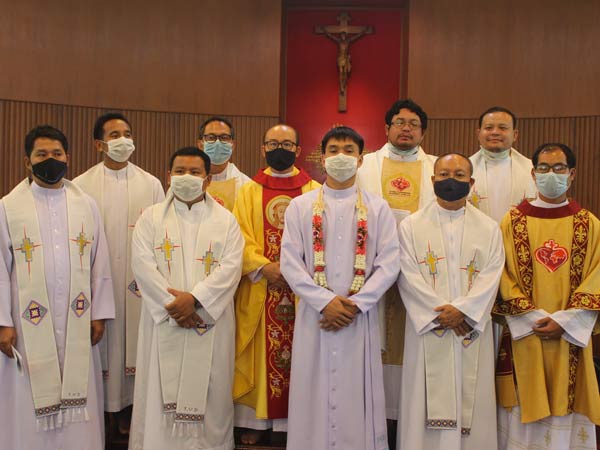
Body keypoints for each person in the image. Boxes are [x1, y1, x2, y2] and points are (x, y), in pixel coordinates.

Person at [281, 126, 400, 450]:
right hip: (315, 317)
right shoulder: (300, 207)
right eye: (333, 150)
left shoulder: (378, 208)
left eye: (349, 150)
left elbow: (389, 263)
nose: (341, 157)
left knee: (353, 393)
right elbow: (290, 262)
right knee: (312, 391)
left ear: (360, 160)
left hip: (358, 318)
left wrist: (356, 304)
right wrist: (324, 302)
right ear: (322, 158)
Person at [0, 125, 115, 449]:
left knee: (78, 393)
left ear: (68, 158)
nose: (50, 160)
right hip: (27, 322)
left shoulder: (86, 205)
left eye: (56, 153)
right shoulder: (8, 207)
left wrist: (99, 313)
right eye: (41, 155)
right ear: (28, 161)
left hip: (77, 318)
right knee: (27, 395)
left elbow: (100, 262)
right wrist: (3, 322)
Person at [129, 147, 243, 450]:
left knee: (212, 392)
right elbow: (142, 266)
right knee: (158, 392)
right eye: (180, 171)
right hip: (164, 320)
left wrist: (195, 299)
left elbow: (231, 268)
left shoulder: (227, 221)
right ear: (168, 176)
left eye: (195, 172)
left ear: (208, 179)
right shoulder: (150, 218)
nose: (186, 177)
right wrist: (175, 306)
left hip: (208, 320)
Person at [493, 143, 600, 450]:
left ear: (572, 174)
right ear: (533, 173)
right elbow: (500, 273)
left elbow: (597, 276)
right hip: (525, 334)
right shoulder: (511, 222)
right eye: (543, 168)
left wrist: (566, 321)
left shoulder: (589, 224)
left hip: (571, 338)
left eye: (558, 168)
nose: (550, 174)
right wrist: (533, 318)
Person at [397, 153, 505, 450]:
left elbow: (493, 274)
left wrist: (465, 311)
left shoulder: (489, 228)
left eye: (459, 175)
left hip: (469, 328)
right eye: (444, 175)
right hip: (430, 327)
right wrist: (440, 313)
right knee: (422, 398)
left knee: (474, 396)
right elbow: (407, 273)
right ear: (432, 180)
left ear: (471, 182)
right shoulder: (411, 225)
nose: (451, 181)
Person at [73, 112, 164, 433]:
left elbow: (161, 235)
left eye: (127, 133)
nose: (123, 140)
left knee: (136, 343)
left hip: (139, 284)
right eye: (114, 135)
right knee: (104, 344)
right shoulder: (80, 187)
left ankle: (131, 409)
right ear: (99, 144)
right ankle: (104, 410)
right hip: (99, 279)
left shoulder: (151, 184)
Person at [232, 124, 319, 445]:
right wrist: (263, 265)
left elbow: (320, 238)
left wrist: (295, 272)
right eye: (272, 143)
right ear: (262, 149)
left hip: (301, 292)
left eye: (286, 144)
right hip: (261, 286)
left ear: (298, 150)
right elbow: (237, 235)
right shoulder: (248, 191)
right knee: (260, 354)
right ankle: (256, 422)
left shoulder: (314, 190)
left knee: (300, 354)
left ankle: (294, 424)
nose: (279, 149)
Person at [357, 98, 436, 425]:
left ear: (423, 133)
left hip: (420, 267)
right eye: (400, 122)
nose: (406, 129)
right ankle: (371, 414)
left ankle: (407, 416)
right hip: (372, 266)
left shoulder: (438, 168)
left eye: (413, 124)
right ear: (386, 128)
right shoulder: (364, 166)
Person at [469, 106, 536, 223]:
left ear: (515, 134)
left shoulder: (533, 171)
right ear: (478, 133)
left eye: (502, 128)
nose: (495, 132)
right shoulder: (463, 170)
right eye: (489, 128)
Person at [196, 116, 250, 210]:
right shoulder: (188, 181)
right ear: (200, 145)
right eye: (211, 137)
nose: (218, 143)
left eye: (224, 138)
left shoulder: (246, 185)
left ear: (232, 145)